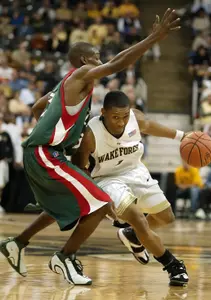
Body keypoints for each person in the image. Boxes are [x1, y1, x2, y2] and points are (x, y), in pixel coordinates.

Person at [0, 9, 181, 285]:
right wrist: (153, 38)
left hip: (47, 153)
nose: (101, 59)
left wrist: (62, 134)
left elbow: (39, 108)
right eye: (97, 56)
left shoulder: (68, 85)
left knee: (78, 199)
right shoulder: (83, 73)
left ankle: (18, 243)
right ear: (86, 60)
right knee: (99, 202)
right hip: (45, 154)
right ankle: (65, 257)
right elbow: (116, 65)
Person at [72, 91, 189, 286]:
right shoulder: (91, 134)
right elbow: (80, 168)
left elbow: (150, 126)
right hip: (107, 179)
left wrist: (182, 136)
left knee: (166, 217)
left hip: (135, 171)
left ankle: (132, 235)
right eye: (115, 117)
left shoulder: (134, 118)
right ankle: (172, 265)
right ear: (103, 112)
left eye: (125, 116)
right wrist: (99, 196)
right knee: (139, 219)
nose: (121, 122)